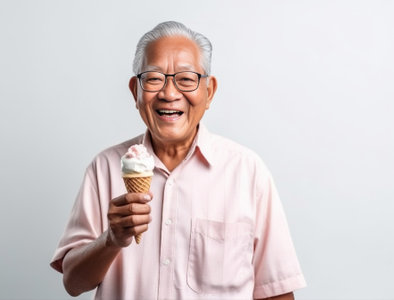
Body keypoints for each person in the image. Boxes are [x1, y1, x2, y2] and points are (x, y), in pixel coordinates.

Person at [50, 21, 306, 300]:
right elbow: (73, 283)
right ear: (135, 91)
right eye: (154, 78)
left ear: (209, 92)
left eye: (186, 79)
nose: (169, 94)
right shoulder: (105, 168)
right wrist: (110, 239)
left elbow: (276, 292)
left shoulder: (247, 172)